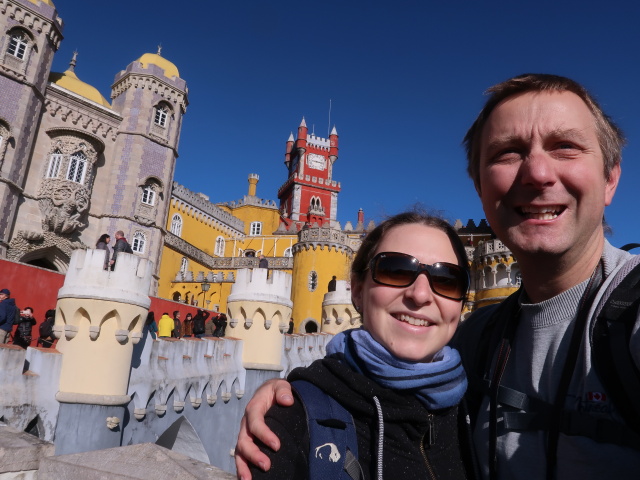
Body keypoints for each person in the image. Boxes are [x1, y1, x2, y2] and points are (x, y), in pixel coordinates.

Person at [235, 74, 640, 480]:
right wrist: (297, 397)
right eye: (508, 152)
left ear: (610, 179)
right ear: (481, 188)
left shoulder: (630, 317)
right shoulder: (474, 343)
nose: (537, 172)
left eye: (565, 147)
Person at [246, 211, 472, 479]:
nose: (420, 294)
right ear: (356, 290)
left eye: (447, 279)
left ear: (462, 303)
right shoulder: (297, 417)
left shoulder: (481, 405)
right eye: (396, 270)